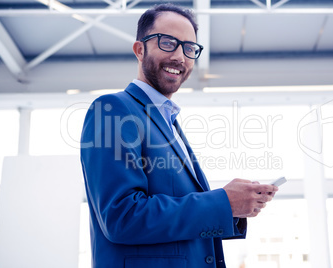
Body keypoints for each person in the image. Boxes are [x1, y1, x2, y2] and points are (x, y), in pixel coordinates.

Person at [80, 3, 278, 268]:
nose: (180, 57)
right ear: (140, 50)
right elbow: (122, 217)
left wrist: (235, 208)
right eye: (167, 43)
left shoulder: (168, 121)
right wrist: (223, 202)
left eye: (188, 48)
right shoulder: (114, 109)